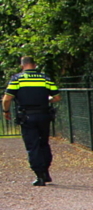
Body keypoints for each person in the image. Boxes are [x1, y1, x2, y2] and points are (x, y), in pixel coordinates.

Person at [3, 56, 61, 186]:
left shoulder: (17, 79)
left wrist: (6, 111)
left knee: (32, 146)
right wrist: (47, 101)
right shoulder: (45, 78)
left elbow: (7, 99)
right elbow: (57, 97)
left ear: (22, 66)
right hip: (44, 115)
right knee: (44, 143)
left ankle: (39, 175)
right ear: (34, 65)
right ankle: (46, 172)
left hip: (27, 116)